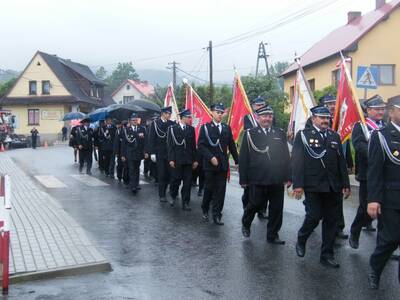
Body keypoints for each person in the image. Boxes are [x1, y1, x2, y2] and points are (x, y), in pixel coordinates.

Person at [292, 105, 350, 268]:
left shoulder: (334, 136)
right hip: (313, 185)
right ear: (313, 118)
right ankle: (302, 238)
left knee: (331, 221)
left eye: (327, 118)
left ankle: (327, 255)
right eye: (322, 118)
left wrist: (345, 183)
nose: (325, 121)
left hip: (333, 186)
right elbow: (297, 162)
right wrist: (298, 185)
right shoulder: (303, 136)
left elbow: (341, 162)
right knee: (314, 216)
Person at [240, 105, 291, 244]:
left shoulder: (279, 133)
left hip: (276, 177)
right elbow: (244, 158)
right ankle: (246, 223)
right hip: (258, 177)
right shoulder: (250, 133)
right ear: (258, 118)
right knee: (255, 204)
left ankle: (272, 235)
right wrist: (243, 179)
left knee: (276, 208)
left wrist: (288, 176)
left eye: (269, 116)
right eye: (264, 116)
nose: (267, 119)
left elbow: (286, 156)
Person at [305, 93, 350, 240]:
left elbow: (341, 150)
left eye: (333, 103)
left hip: (333, 177)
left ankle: (336, 230)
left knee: (333, 212)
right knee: (315, 214)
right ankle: (305, 232)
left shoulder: (339, 118)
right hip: (316, 178)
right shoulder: (310, 125)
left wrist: (347, 176)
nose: (331, 105)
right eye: (328, 103)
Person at [367, 96, 400, 289]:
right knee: (391, 239)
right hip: (391, 198)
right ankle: (375, 267)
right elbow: (375, 171)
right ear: (392, 112)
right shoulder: (381, 136)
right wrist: (373, 199)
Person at [349, 95, 386, 249]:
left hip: (385, 174)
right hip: (368, 174)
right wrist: (377, 157)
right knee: (365, 207)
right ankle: (355, 232)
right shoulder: (361, 126)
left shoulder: (385, 126)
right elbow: (359, 146)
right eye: (377, 109)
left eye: (382, 109)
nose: (380, 112)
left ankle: (385, 245)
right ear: (368, 110)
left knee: (385, 209)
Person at [198, 102, 239, 225]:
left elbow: (231, 145)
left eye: (222, 113)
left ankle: (217, 214)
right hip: (210, 165)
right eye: (218, 112)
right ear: (212, 112)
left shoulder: (226, 128)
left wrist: (237, 160)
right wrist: (210, 157)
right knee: (209, 189)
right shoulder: (205, 127)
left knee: (221, 191)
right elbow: (201, 145)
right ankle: (205, 208)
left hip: (222, 165)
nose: (220, 115)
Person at [242, 96, 269, 220]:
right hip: (253, 153)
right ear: (253, 106)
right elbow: (248, 132)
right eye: (258, 106)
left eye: (262, 105)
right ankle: (247, 208)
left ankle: (262, 210)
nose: (260, 107)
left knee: (265, 190)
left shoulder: (268, 116)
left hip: (267, 155)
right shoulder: (248, 117)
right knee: (250, 190)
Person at [167, 109, 198, 210]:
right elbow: (170, 145)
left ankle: (186, 202)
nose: (190, 119)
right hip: (177, 159)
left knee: (187, 182)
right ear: (183, 117)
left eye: (190, 117)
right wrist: (171, 159)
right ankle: (173, 196)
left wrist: (195, 160)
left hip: (188, 160)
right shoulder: (173, 128)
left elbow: (193, 146)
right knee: (176, 180)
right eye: (188, 117)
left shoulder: (191, 129)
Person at [148, 106, 175, 202]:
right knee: (161, 174)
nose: (169, 115)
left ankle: (168, 191)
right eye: (168, 113)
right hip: (159, 153)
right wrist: (152, 153)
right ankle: (162, 195)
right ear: (163, 114)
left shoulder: (172, 124)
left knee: (169, 174)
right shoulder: (155, 124)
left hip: (169, 153)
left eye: (170, 114)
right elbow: (151, 139)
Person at [121, 113, 146, 194]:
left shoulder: (142, 128)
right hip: (130, 153)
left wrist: (145, 152)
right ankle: (133, 185)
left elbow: (145, 142)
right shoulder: (126, 130)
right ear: (130, 121)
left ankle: (137, 183)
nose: (135, 121)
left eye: (136, 120)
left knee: (137, 168)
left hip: (138, 152)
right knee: (131, 169)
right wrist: (123, 154)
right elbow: (124, 143)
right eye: (133, 120)